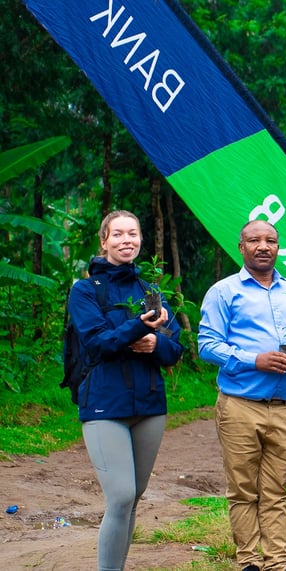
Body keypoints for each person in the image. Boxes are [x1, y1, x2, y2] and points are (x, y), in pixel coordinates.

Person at [199, 219, 286, 571]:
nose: (263, 246)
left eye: (270, 240)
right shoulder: (224, 291)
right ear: (242, 247)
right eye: (255, 240)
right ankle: (249, 562)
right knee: (243, 490)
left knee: (277, 491)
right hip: (240, 406)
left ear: (278, 247)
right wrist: (255, 360)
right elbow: (207, 345)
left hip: (284, 408)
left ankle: (278, 563)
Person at [71, 210, 184, 571]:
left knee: (133, 498)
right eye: (117, 234)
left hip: (150, 406)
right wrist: (139, 328)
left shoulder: (151, 291)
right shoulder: (85, 290)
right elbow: (97, 343)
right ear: (104, 241)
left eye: (132, 234)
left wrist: (154, 342)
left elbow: (174, 348)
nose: (126, 240)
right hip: (105, 405)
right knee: (119, 496)